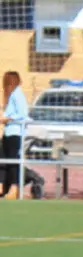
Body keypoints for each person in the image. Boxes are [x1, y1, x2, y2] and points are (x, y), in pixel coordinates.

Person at [1, 71, 29, 199]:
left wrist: (7, 119)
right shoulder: (12, 95)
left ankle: (14, 188)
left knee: (13, 161)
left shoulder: (17, 94)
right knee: (3, 159)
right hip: (8, 132)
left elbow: (23, 114)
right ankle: (2, 186)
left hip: (15, 133)